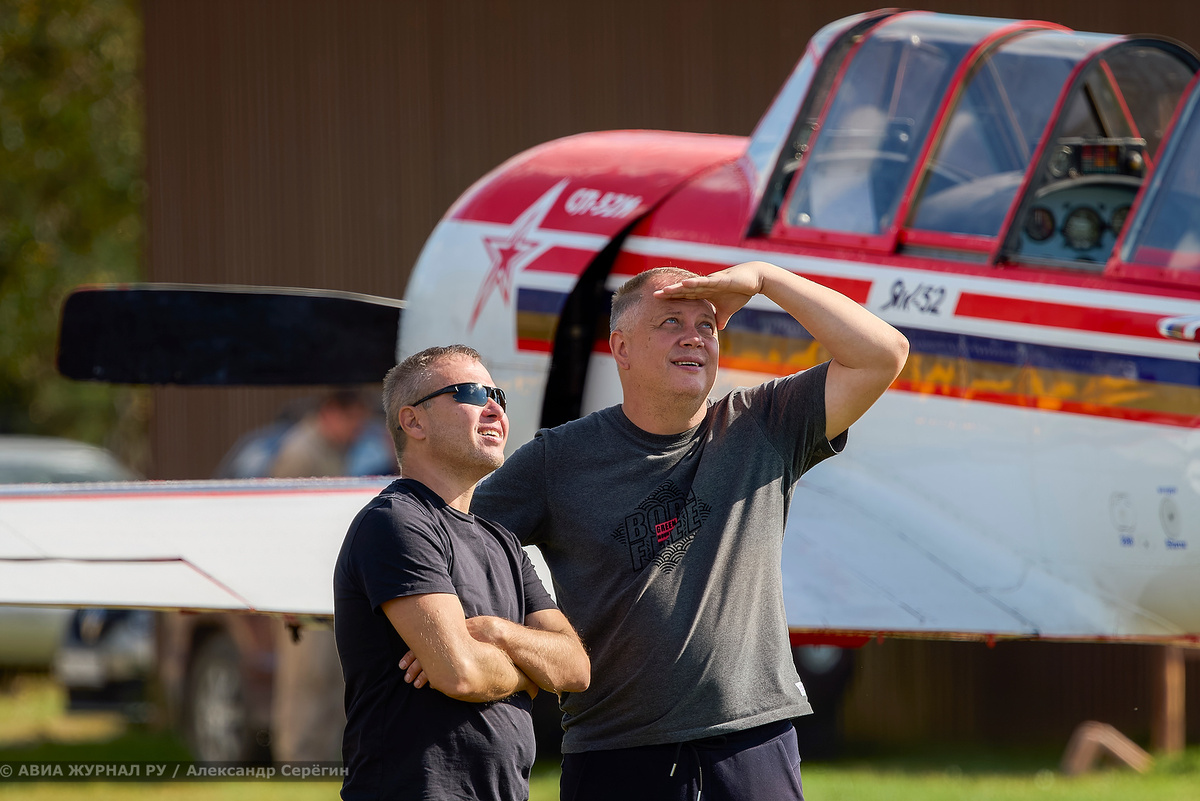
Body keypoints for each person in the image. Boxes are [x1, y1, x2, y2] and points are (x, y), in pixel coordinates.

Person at [472, 261, 909, 801]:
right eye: (670, 322)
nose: (695, 337)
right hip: (616, 750)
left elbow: (882, 355)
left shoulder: (764, 425)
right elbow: (463, 541)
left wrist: (767, 280)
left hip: (753, 742)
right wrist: (521, 630)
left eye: (707, 324)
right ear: (622, 348)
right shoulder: (556, 460)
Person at [334, 345, 590, 801]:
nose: (494, 408)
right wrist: (530, 676)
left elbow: (574, 667)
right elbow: (462, 674)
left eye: (500, 396)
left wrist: (494, 632)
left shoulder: (504, 542)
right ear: (414, 422)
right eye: (471, 393)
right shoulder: (396, 522)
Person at [269, 389, 371, 763]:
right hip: (301, 583)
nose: (358, 429)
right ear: (331, 413)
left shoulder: (333, 448)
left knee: (330, 675)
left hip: (322, 582)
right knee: (306, 677)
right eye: (353, 420)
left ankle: (326, 757)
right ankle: (298, 759)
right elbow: (287, 521)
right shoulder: (301, 451)